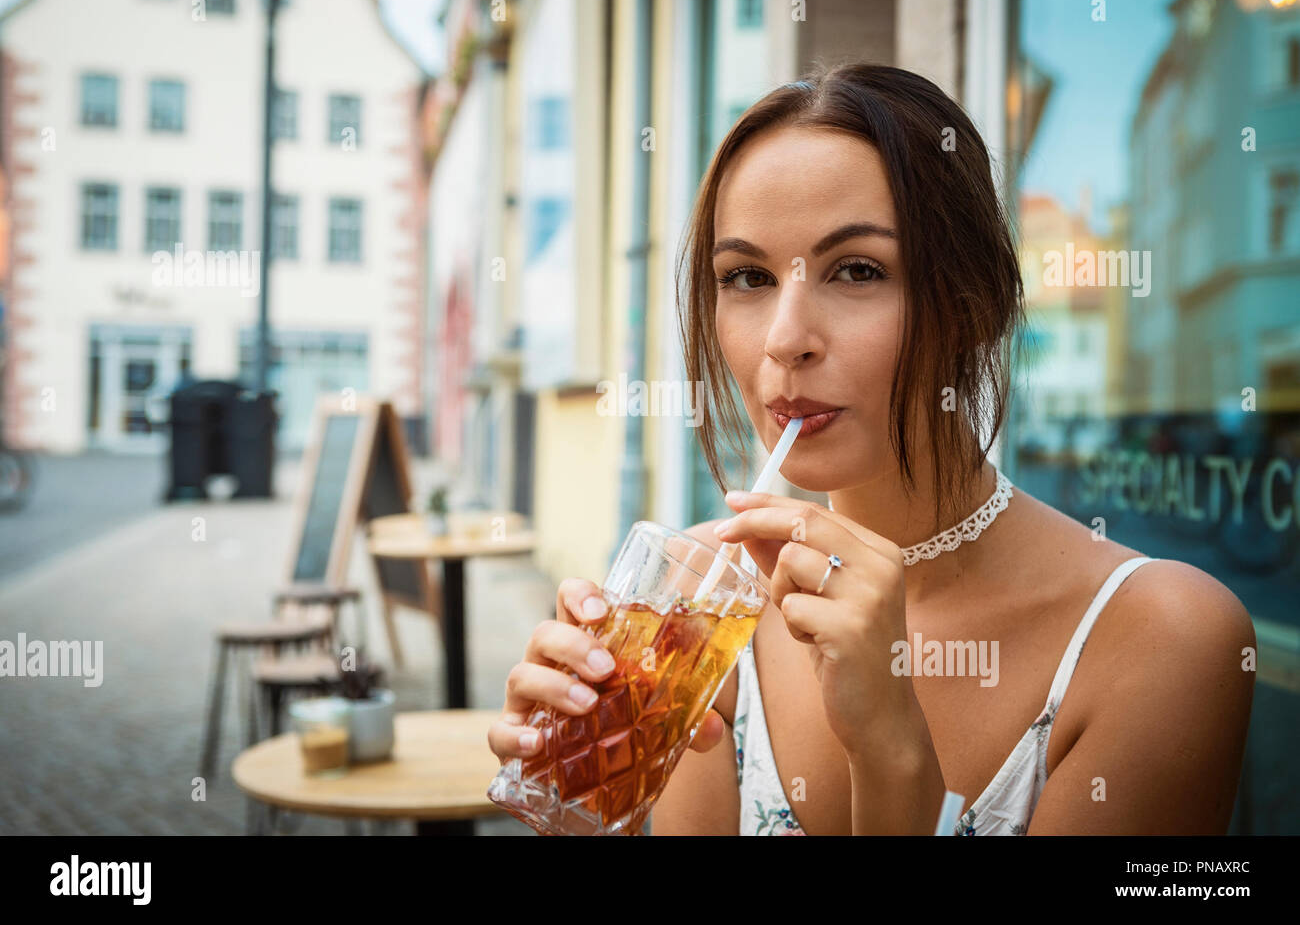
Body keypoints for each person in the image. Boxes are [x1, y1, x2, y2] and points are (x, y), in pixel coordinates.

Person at [486, 62, 1256, 835]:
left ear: (975, 306)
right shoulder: (705, 621)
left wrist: (891, 754)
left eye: (857, 270)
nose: (785, 340)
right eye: (747, 276)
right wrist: (586, 807)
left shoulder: (1164, 639)